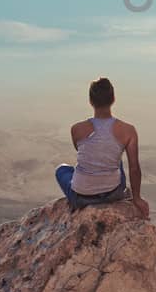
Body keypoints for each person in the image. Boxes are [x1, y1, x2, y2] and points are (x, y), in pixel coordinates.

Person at [55, 77, 150, 219]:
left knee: (61, 169)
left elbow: (81, 150)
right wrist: (136, 198)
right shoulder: (128, 130)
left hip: (81, 197)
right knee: (118, 161)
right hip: (113, 193)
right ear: (113, 99)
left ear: (90, 101)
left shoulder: (76, 129)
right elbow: (134, 168)